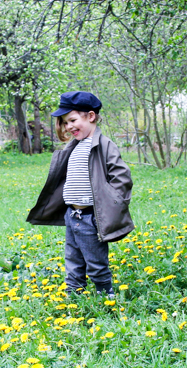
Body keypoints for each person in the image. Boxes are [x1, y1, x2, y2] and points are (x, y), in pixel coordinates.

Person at [27, 91, 134, 300]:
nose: (68, 127)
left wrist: (112, 205)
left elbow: (122, 177)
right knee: (73, 259)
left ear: (91, 116)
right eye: (65, 123)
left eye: (73, 120)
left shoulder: (103, 145)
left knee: (95, 261)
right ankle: (74, 296)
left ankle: (106, 296)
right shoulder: (73, 146)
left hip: (91, 217)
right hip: (72, 215)